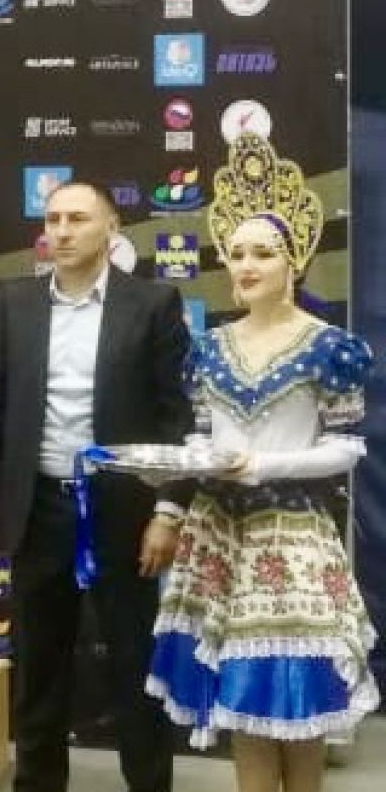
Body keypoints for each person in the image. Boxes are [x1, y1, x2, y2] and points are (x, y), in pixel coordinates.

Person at [146, 133, 379, 791]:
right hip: (219, 535)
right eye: (236, 252)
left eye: (263, 252)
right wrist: (176, 466)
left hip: (292, 535)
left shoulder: (330, 346)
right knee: (241, 704)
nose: (245, 265)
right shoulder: (207, 347)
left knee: (298, 707)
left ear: (294, 259)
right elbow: (199, 436)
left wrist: (263, 464)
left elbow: (346, 447)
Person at [0, 180, 192, 792]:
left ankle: (150, 784)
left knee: (135, 663)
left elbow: (177, 419)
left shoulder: (153, 303)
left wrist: (168, 510)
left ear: (111, 229)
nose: (61, 231)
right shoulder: (17, 302)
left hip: (123, 511)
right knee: (38, 666)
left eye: (78, 219)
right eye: (53, 218)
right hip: (38, 507)